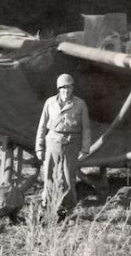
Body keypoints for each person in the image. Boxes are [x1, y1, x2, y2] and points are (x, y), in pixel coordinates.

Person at [35, 73, 91, 220]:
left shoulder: (80, 104)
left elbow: (86, 128)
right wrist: (39, 147)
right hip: (52, 142)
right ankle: (46, 208)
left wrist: (85, 149)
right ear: (59, 89)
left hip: (71, 143)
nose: (66, 91)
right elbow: (42, 126)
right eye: (63, 88)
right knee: (49, 175)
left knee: (68, 177)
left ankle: (68, 211)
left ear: (73, 88)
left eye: (69, 87)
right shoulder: (50, 103)